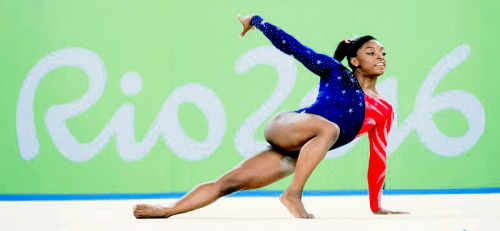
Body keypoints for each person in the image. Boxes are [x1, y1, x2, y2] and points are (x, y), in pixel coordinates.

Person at [133, 14, 409, 219]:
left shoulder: (384, 110)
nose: (380, 57)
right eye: (371, 52)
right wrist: (257, 21)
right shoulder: (336, 72)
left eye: (383, 53)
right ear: (355, 60)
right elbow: (294, 48)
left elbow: (378, 157)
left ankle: (168, 210)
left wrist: (377, 206)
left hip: (296, 153)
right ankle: (293, 195)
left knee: (227, 183)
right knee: (329, 130)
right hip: (287, 126)